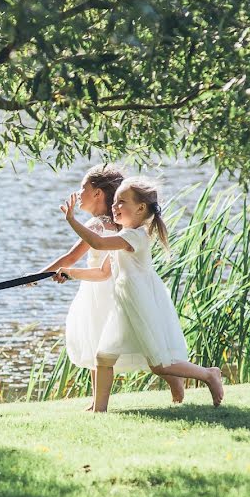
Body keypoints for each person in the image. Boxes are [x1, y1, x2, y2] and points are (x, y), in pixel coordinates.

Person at [58, 177, 224, 412]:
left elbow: (96, 241)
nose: (114, 206)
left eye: (121, 202)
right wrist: (70, 273)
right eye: (114, 202)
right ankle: (99, 411)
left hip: (140, 303)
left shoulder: (135, 237)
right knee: (103, 358)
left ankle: (209, 374)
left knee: (159, 365)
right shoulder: (123, 235)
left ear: (140, 208)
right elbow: (103, 272)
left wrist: (72, 220)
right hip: (122, 304)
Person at [39, 165, 184, 409]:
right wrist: (66, 274)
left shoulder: (103, 227)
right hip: (103, 285)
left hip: (106, 292)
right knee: (109, 348)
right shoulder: (121, 225)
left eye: (83, 188)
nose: (78, 192)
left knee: (115, 345)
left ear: (97, 193)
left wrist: (40, 275)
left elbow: (72, 256)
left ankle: (178, 380)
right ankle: (99, 403)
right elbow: (86, 264)